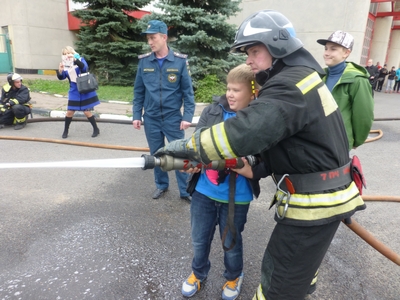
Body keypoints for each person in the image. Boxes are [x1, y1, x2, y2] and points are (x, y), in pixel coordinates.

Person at [154, 10, 366, 300]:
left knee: (275, 287)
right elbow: (279, 141)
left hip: (313, 206)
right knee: (298, 277)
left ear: (278, 47)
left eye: (254, 50)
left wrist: (186, 147)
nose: (248, 60)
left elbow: (244, 132)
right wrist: (252, 162)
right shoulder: (302, 78)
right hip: (323, 199)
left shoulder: (289, 84)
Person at [181, 64, 260, 299]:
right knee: (199, 239)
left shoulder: (258, 119)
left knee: (232, 243)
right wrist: (193, 160)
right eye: (228, 88)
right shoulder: (213, 111)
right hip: (204, 192)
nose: (230, 94)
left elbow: (261, 159)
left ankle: (234, 276)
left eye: (237, 90)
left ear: (252, 92)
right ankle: (198, 273)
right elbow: (197, 142)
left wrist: (238, 161)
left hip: (237, 197)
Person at [132, 20, 195, 202]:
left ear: (164, 37)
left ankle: (185, 190)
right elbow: (138, 91)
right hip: (151, 118)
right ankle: (161, 185)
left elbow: (188, 93)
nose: (150, 42)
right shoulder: (144, 62)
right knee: (157, 154)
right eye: (148, 39)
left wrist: (187, 116)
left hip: (173, 118)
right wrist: (137, 114)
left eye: (153, 38)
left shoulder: (179, 61)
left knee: (179, 154)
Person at [316, 30, 374, 150]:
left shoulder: (357, 80)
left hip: (338, 142)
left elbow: (363, 115)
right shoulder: (319, 76)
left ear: (346, 53)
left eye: (333, 49)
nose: (326, 53)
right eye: (326, 48)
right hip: (316, 139)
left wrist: (357, 140)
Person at [56, 46, 100, 139]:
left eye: (68, 53)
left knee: (87, 112)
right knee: (69, 112)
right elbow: (62, 77)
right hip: (74, 90)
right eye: (65, 54)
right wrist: (60, 70)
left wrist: (75, 60)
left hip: (84, 88)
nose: (67, 55)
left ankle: (96, 129)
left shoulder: (80, 59)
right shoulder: (64, 64)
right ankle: (65, 131)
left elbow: (84, 68)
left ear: (73, 53)